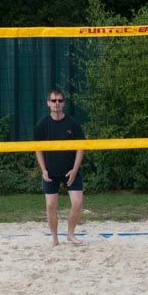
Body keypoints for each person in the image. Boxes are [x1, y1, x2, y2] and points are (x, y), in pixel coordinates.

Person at [33, 89, 86, 246]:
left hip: (70, 170)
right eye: (54, 100)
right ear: (48, 103)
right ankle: (54, 238)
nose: (57, 103)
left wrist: (75, 170)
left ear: (64, 103)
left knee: (77, 203)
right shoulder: (42, 124)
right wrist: (43, 170)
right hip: (50, 171)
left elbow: (81, 147)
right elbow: (38, 149)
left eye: (60, 101)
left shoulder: (72, 123)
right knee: (50, 206)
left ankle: (70, 234)